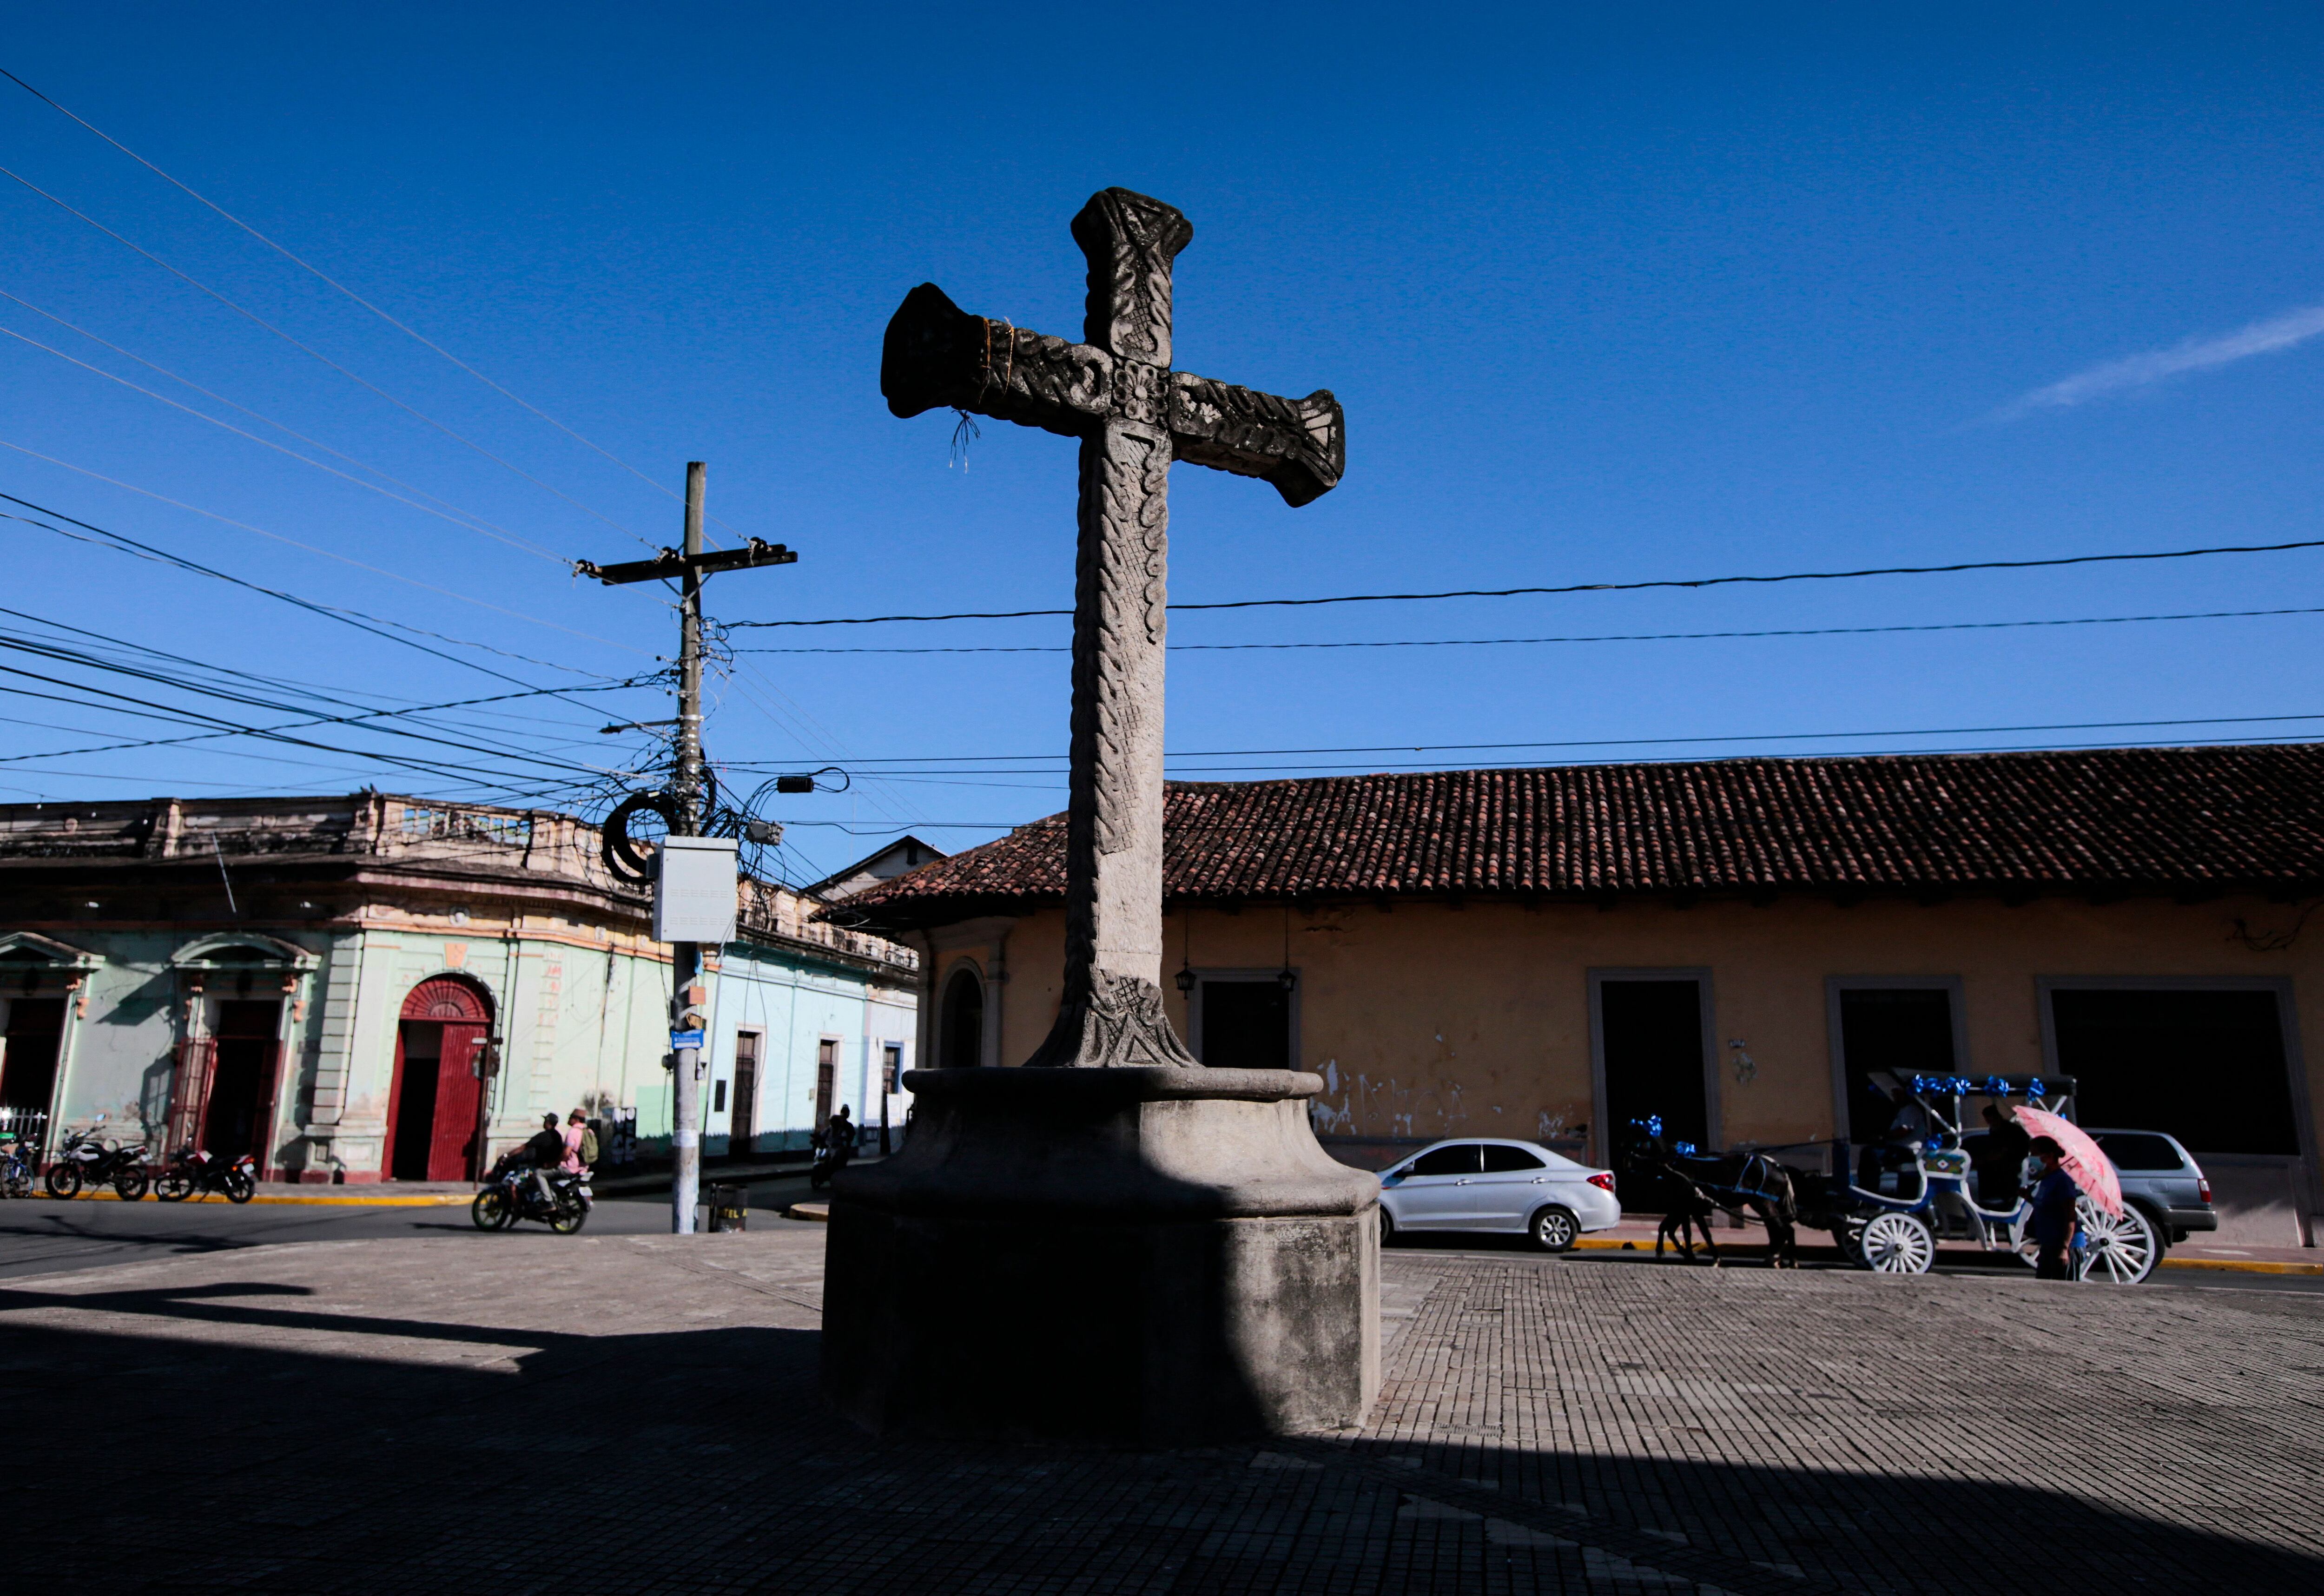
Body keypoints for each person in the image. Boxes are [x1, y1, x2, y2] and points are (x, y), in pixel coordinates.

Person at [2026, 1135, 2082, 1279]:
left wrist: (2064, 1249)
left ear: (2049, 1156)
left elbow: (2070, 1217)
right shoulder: (2047, 1179)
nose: (2031, 1158)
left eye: (2035, 1154)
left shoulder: (2062, 1181)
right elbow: (2047, 1208)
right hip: (2049, 1244)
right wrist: (2029, 1198)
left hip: (2064, 1245)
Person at [1976, 1103, 2031, 1209]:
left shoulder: (2009, 1130)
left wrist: (1993, 1157)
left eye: (1990, 1119)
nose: (1989, 1122)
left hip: (2014, 1162)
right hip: (2002, 1162)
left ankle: (2007, 1199)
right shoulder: (1994, 1129)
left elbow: (2007, 1149)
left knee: (2003, 1173)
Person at [522, 1113, 566, 1212]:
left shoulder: (544, 1135)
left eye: (545, 1121)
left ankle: (548, 1201)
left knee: (538, 1174)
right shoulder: (558, 1135)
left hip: (550, 1167)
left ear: (548, 1123)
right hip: (553, 1166)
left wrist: (508, 1155)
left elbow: (525, 1147)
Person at [827, 1104, 856, 1173]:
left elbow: (851, 1136)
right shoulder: (835, 1126)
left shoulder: (847, 1126)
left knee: (842, 1161)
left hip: (843, 1146)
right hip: (835, 1145)